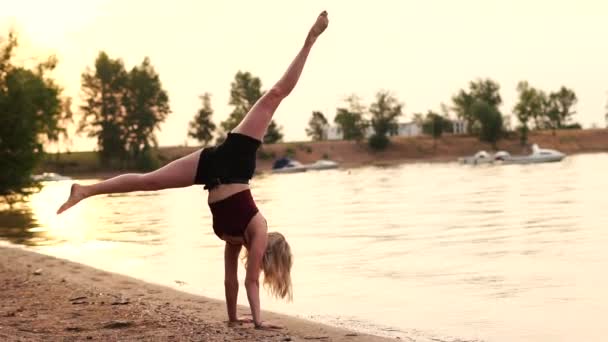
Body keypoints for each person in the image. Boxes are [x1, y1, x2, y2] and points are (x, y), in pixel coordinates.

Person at [57, 11, 329, 330]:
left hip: (215, 165)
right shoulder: (258, 230)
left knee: (150, 181)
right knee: (274, 95)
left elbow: (232, 279)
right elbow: (250, 281)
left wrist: (232, 319)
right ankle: (310, 39)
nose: (261, 260)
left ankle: (86, 190)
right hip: (235, 161)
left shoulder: (237, 239)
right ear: (272, 250)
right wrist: (257, 323)